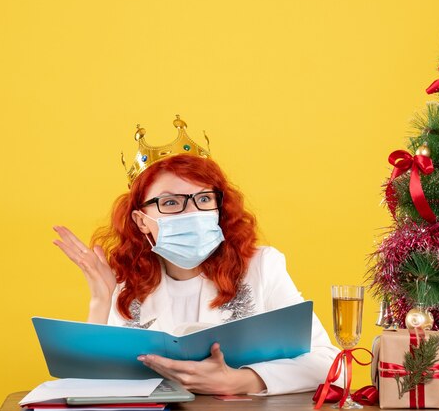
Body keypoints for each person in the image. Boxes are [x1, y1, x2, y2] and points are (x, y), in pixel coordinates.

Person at [53, 151, 339, 396]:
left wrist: (242, 380)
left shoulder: (262, 266)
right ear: (141, 221)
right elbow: (92, 390)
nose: (192, 213)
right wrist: (100, 301)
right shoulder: (126, 282)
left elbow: (331, 365)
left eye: (203, 199)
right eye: (170, 202)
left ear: (218, 207)